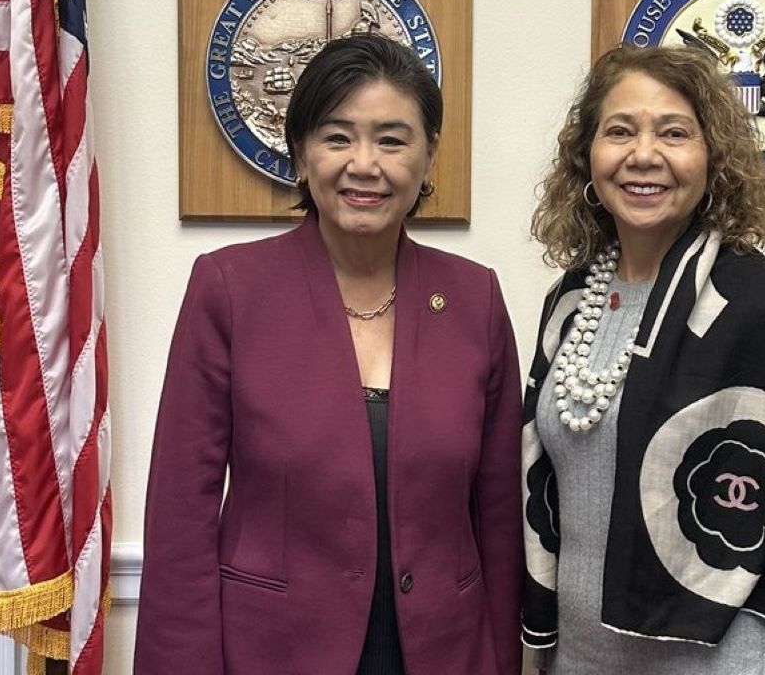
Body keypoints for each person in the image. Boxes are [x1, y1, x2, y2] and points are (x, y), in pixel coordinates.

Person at [135, 34, 524, 674]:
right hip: (271, 653)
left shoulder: (473, 298)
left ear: (429, 158)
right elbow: (183, 512)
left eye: (392, 140)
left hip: (444, 653)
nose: (364, 164)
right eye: (337, 137)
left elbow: (500, 516)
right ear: (300, 154)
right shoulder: (230, 289)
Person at [521, 45, 765, 674]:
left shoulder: (756, 306)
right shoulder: (571, 303)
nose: (644, 155)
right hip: (580, 656)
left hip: (716, 661)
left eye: (674, 133)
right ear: (587, 157)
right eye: (619, 131)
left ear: (711, 158)